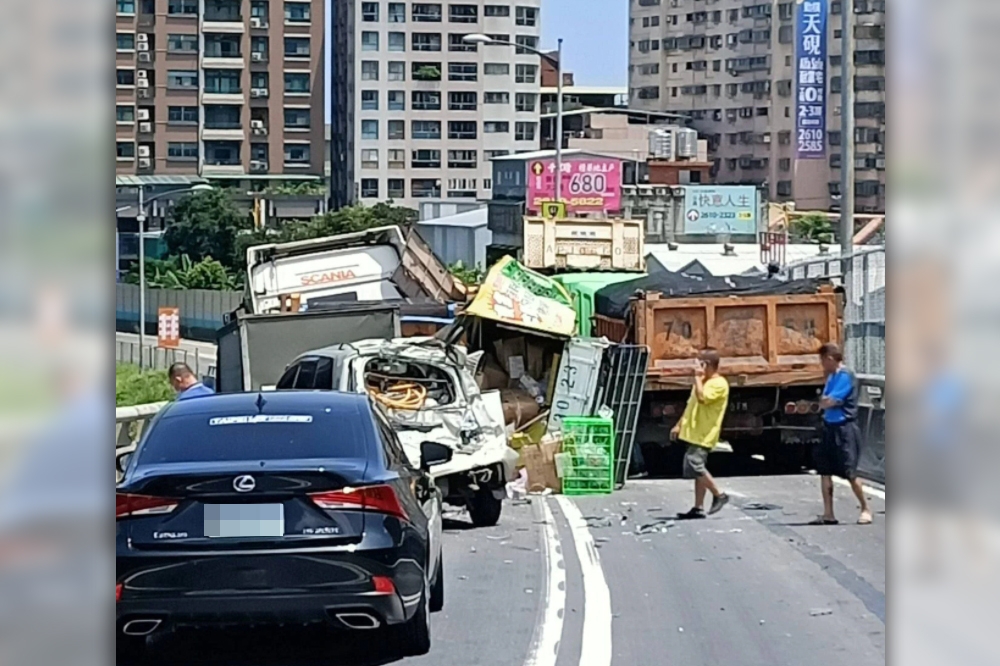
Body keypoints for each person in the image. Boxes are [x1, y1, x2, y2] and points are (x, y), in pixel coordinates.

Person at [811, 343, 873, 525]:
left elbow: (830, 401)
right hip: (829, 426)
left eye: (822, 360)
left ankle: (865, 508)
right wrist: (825, 402)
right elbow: (824, 400)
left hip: (845, 428)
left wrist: (826, 402)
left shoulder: (846, 376)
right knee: (824, 470)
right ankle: (828, 513)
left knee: (850, 471)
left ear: (830, 359)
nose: (822, 365)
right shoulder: (831, 377)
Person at [671, 348, 730, 519]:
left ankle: (719, 495)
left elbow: (703, 399)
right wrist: (679, 424)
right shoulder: (702, 381)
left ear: (707, 365)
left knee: (694, 463)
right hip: (693, 431)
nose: (695, 367)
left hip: (705, 432)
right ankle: (698, 507)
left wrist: (697, 378)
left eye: (699, 364)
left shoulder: (719, 384)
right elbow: (692, 404)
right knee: (697, 470)